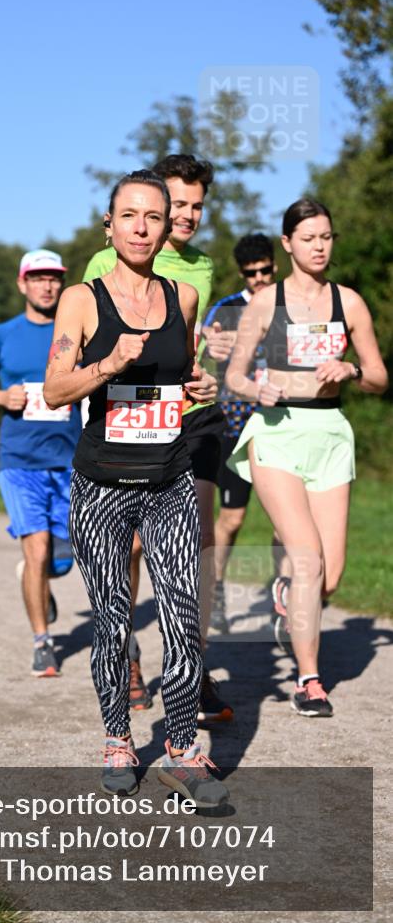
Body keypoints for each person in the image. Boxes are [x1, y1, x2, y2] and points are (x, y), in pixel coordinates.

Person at [44, 170, 228, 806]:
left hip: (170, 477)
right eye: (130, 216)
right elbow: (54, 389)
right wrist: (109, 364)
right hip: (101, 485)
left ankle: (181, 750)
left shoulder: (182, 298)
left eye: (155, 215)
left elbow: (184, 372)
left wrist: (199, 384)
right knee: (113, 617)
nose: (143, 226)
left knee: (181, 614)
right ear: (109, 225)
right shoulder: (82, 299)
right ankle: (118, 741)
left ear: (167, 223)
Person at [83, 154, 232, 723]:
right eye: (179, 205)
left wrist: (205, 371)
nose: (186, 216)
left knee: (196, 542)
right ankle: (127, 654)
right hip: (126, 416)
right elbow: (87, 335)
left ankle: (193, 664)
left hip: (188, 414)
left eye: (196, 206)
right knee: (136, 545)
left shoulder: (201, 268)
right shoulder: (108, 258)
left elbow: (189, 343)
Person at [226, 198, 388, 717]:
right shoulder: (264, 302)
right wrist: (256, 391)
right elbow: (233, 374)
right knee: (308, 559)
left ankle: (285, 593)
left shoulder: (350, 303)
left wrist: (351, 371)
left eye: (327, 237)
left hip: (330, 432)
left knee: (330, 576)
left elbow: (381, 377)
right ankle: (310, 680)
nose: (320, 246)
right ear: (288, 244)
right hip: (275, 432)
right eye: (310, 238)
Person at [0, 250, 83, 678]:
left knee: (62, 559)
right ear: (22, 284)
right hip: (19, 460)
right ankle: (42, 641)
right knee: (35, 548)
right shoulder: (2, 335)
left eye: (54, 278)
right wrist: (1, 397)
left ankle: (39, 579)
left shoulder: (76, 332)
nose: (47, 286)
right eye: (38, 278)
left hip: (71, 459)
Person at [202, 233, 279, 630]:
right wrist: (210, 339)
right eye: (252, 274)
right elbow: (201, 341)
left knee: (286, 519)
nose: (260, 278)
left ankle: (284, 593)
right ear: (242, 274)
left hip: (282, 426)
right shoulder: (227, 308)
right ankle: (214, 590)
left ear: (275, 265)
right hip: (233, 426)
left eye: (265, 270)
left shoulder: (291, 306)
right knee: (231, 519)